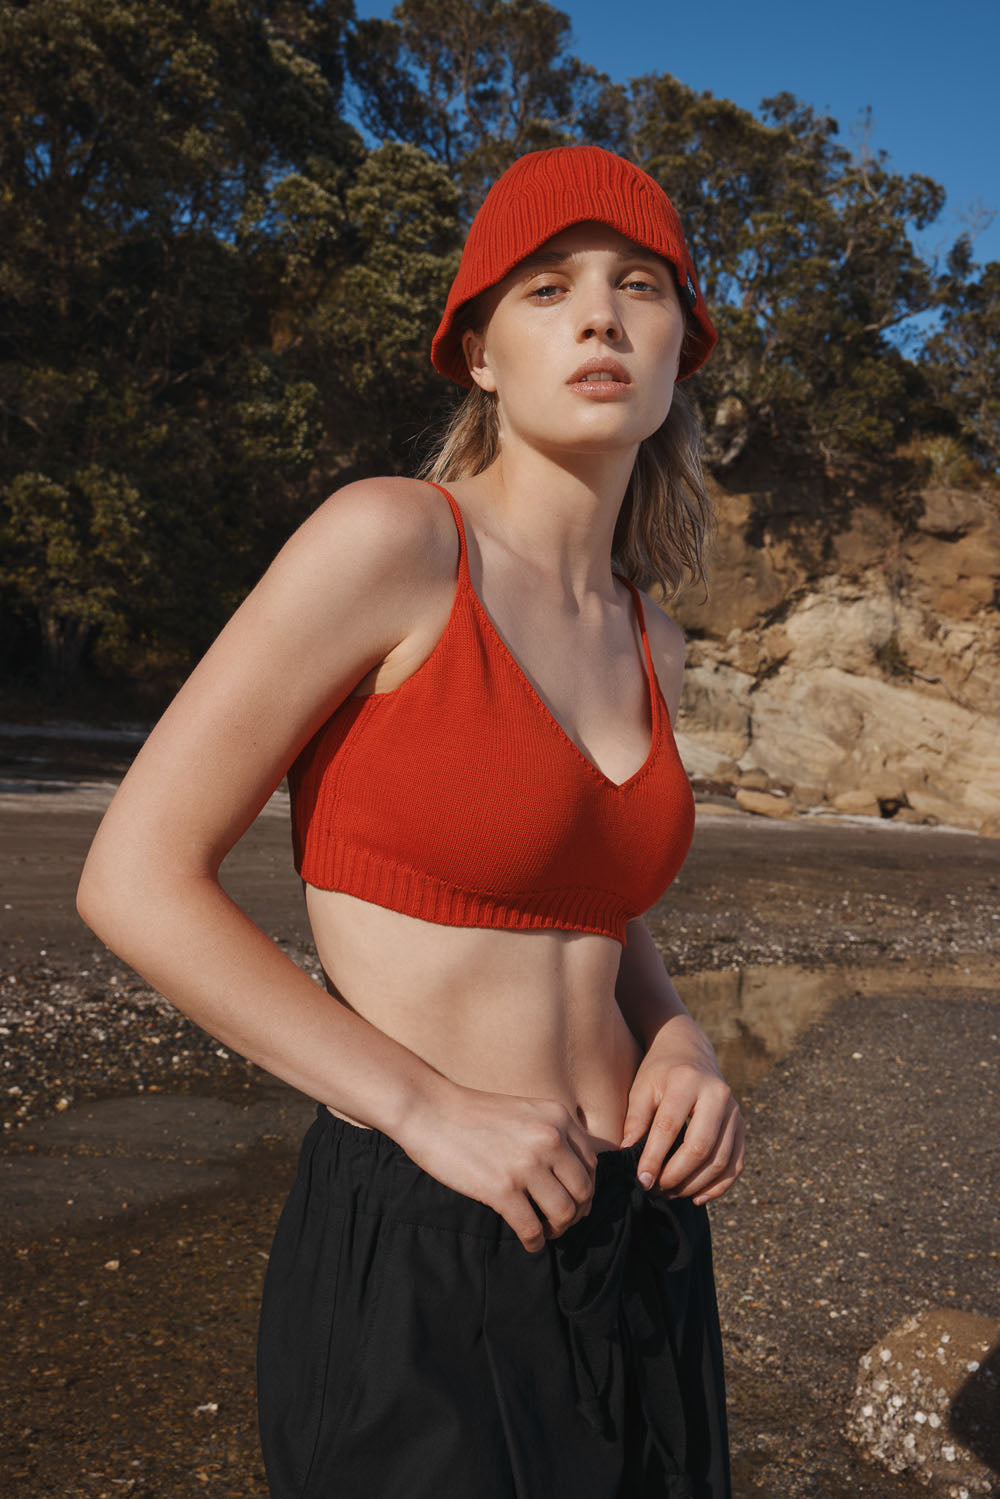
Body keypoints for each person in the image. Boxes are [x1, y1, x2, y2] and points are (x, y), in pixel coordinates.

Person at [77, 144, 744, 1498]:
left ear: (684, 346)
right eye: (548, 291)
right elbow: (134, 878)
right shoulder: (392, 543)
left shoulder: (652, 637)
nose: (602, 318)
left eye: (640, 288)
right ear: (480, 352)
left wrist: (676, 1035)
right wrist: (424, 1109)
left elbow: (598, 904)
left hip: (645, 1240)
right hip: (430, 1236)